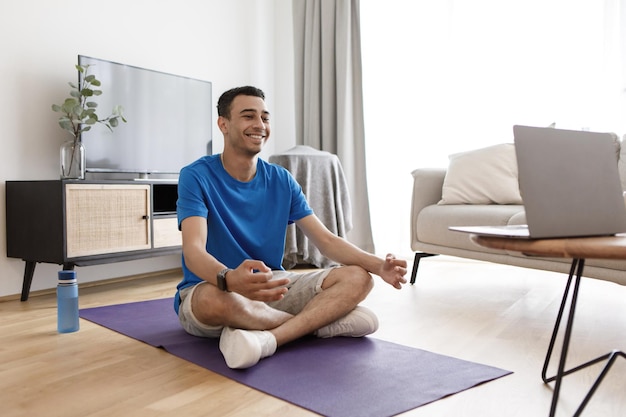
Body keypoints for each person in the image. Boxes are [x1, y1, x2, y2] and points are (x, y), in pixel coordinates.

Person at [174, 86, 408, 369]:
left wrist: (378, 265)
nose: (259, 125)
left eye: (265, 117)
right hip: (214, 285)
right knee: (218, 301)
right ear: (223, 124)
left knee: (359, 278)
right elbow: (194, 251)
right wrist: (229, 279)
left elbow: (326, 241)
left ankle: (268, 339)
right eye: (248, 116)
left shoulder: (281, 179)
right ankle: (318, 327)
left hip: (272, 286)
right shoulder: (195, 176)